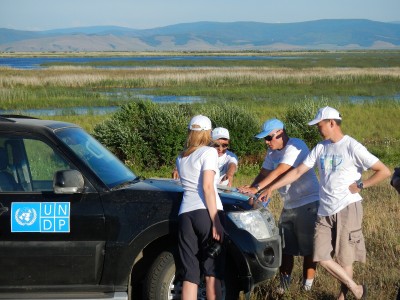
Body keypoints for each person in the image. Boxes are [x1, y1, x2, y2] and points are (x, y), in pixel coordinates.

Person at [258, 106, 391, 300]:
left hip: (347, 206)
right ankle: (356, 288)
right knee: (319, 255)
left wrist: (361, 184)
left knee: (344, 257)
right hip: (324, 209)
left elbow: (383, 171)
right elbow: (297, 172)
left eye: (319, 125)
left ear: (331, 123)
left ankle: (343, 296)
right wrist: (270, 188)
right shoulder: (321, 147)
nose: (318, 129)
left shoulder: (351, 146)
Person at [238, 118, 320, 293]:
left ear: (280, 133)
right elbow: (264, 173)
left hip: (308, 202)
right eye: (264, 140)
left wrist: (258, 187)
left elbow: (281, 170)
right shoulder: (271, 153)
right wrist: (251, 190)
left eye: (269, 138)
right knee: (285, 248)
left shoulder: (296, 146)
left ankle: (307, 288)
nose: (266, 143)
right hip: (289, 204)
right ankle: (283, 287)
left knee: (309, 249)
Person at [175, 115, 225, 300]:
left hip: (185, 214)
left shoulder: (181, 156)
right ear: (208, 132)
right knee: (212, 271)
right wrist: (216, 221)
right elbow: (207, 187)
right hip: (205, 212)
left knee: (190, 274)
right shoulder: (208, 152)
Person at [173, 127, 238, 187]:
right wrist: (178, 169)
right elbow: (187, 157)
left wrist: (229, 174)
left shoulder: (230, 156)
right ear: (210, 142)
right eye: (216, 145)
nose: (220, 149)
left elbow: (232, 164)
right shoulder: (203, 152)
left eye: (224, 145)